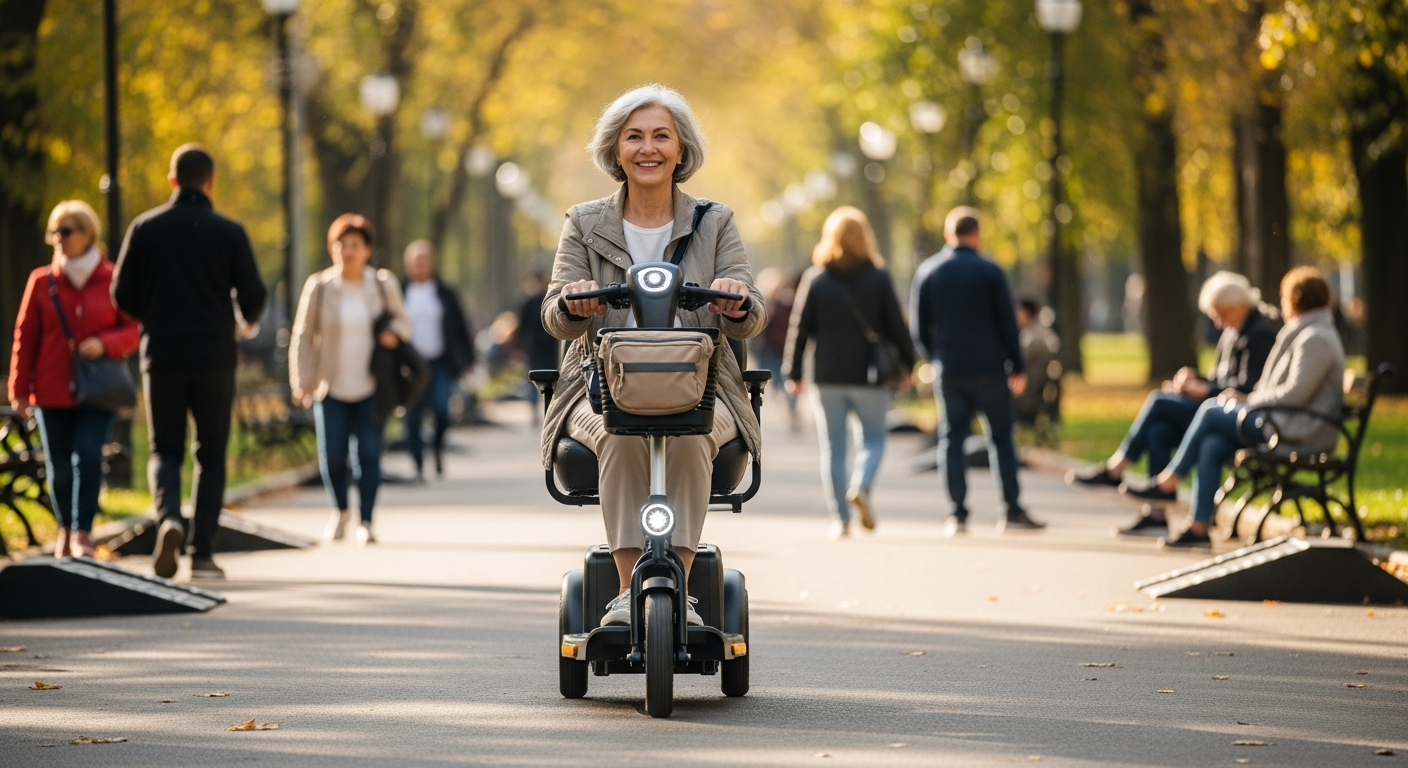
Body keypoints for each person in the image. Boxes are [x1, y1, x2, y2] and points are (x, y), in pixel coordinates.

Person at [540, 84, 764, 628]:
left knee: (692, 433)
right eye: (634, 137)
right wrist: (574, 304)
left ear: (681, 149)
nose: (648, 148)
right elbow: (553, 314)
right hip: (601, 386)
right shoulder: (583, 222)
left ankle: (678, 592)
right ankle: (625, 593)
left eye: (661, 136)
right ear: (615, 150)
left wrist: (735, 301)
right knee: (618, 432)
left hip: (701, 386)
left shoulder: (715, 221)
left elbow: (752, 313)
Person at [112, 145, 267, 579]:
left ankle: (170, 521)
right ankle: (202, 554)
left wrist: (154, 313)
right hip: (214, 357)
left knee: (164, 450)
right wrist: (244, 317)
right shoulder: (229, 232)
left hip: (162, 355)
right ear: (210, 181)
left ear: (172, 179)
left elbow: (121, 294)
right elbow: (254, 295)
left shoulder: (145, 228)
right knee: (211, 454)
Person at [1127, 267, 1344, 548]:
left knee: (1211, 410)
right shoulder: (1306, 333)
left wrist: (1249, 400)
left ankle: (1169, 481)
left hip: (1297, 430)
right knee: (1213, 444)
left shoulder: (1315, 338)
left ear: (1295, 300)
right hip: (1285, 422)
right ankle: (1199, 527)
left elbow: (1295, 394)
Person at [1068, 271, 1278, 534]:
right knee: (1160, 431)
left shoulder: (1259, 334)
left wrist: (1204, 389)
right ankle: (1157, 514)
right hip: (1216, 409)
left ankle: (1116, 470)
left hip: (1230, 416)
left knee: (1159, 401)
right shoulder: (1233, 331)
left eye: (1222, 313)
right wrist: (1194, 380)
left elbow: (1248, 388)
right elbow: (1221, 379)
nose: (1218, 321)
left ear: (1240, 305)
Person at [9, 201, 139, 559]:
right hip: (51, 389)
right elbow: (25, 337)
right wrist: (19, 390)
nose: (59, 238)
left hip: (98, 390)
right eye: (54, 232)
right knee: (60, 465)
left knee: (88, 456)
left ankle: (83, 531)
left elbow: (133, 329)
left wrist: (105, 344)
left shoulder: (113, 278)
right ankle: (65, 528)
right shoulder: (41, 281)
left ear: (88, 233)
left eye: (66, 231)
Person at [783, 207, 917, 539]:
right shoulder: (879, 278)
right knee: (873, 439)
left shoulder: (816, 278)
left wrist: (793, 372)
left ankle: (840, 520)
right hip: (870, 375)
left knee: (834, 448)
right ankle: (862, 485)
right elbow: (897, 326)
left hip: (827, 376)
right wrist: (909, 364)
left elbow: (800, 328)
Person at [912, 209, 1041, 535]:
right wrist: (1017, 365)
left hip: (950, 369)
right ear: (977, 235)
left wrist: (936, 356)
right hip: (989, 369)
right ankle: (1011, 510)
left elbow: (919, 328)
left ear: (948, 235)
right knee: (1001, 440)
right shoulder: (991, 271)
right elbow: (1008, 324)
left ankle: (957, 514)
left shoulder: (928, 271)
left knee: (952, 441)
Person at [290, 215, 411, 545]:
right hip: (330, 385)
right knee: (333, 454)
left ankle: (366, 521)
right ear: (332, 249)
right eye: (341, 245)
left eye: (355, 245)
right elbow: (302, 335)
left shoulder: (382, 284)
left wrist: (393, 333)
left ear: (367, 249)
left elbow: (404, 322)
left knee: (369, 455)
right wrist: (302, 380)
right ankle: (341, 510)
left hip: (372, 385)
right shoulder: (319, 286)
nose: (348, 251)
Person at [400, 240, 474, 480]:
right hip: (410, 366)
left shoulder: (445, 293)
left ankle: (438, 448)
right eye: (415, 261)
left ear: (432, 263)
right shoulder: (399, 292)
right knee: (413, 416)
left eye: (424, 260)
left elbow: (459, 327)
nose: (420, 265)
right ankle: (417, 463)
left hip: (440, 362)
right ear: (408, 264)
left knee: (442, 409)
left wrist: (468, 360)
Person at [752, 268, 799, 429]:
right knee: (778, 379)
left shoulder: (785, 304)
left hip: (781, 349)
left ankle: (791, 407)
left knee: (781, 379)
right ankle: (788, 405)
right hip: (771, 349)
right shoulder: (766, 304)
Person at [1013, 297, 1061, 431]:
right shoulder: (1047, 334)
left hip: (1027, 394)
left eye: (1017, 311)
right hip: (1040, 391)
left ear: (1027, 313)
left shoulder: (1029, 338)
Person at [518, 271, 559, 410]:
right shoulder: (528, 303)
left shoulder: (549, 302)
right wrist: (521, 345)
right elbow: (522, 325)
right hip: (534, 347)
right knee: (533, 377)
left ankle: (550, 405)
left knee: (552, 377)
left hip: (550, 346)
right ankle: (533, 406)